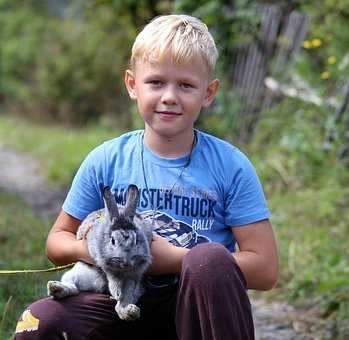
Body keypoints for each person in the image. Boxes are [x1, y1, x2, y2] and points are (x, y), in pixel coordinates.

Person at [15, 14, 278, 340]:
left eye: (186, 85)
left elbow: (265, 269)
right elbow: (57, 242)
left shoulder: (231, 166)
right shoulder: (107, 159)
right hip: (119, 300)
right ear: (132, 85)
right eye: (156, 82)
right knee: (40, 321)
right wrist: (110, 253)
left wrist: (174, 260)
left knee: (209, 257)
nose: (169, 96)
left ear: (208, 93)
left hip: (193, 310)